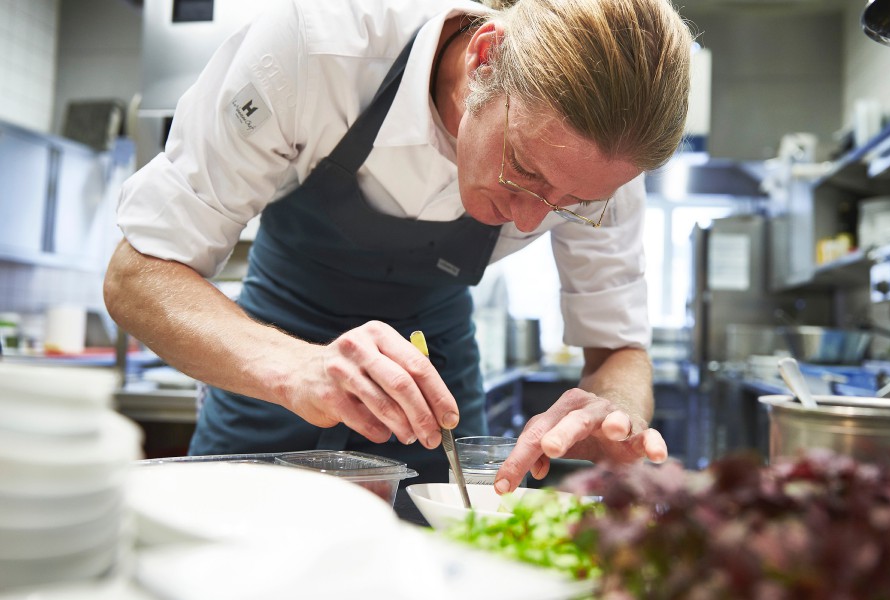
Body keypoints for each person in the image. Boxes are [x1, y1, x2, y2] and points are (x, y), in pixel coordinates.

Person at [104, 0, 693, 491]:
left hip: (435, 371)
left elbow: (618, 349)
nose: (530, 215)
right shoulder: (318, 45)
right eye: (522, 171)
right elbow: (137, 276)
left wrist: (615, 411)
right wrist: (297, 368)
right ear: (485, 58)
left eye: (569, 205)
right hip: (275, 339)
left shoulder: (605, 165)